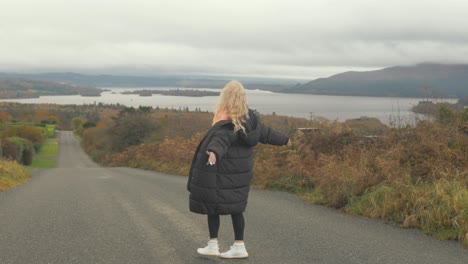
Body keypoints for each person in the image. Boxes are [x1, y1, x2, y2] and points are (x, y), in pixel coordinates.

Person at [187, 80, 290, 259]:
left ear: (225, 97)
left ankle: (213, 244)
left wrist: (213, 152)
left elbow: (220, 140)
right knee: (236, 209)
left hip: (223, 171)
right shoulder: (252, 120)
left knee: (213, 206)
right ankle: (238, 246)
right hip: (241, 174)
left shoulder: (226, 121)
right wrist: (286, 140)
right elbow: (268, 134)